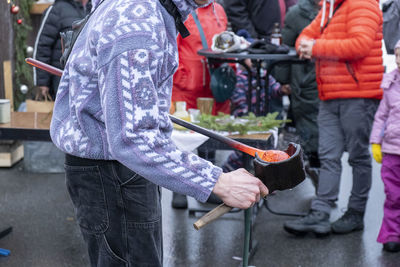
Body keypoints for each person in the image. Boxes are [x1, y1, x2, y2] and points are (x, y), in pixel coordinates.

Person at [49, 0, 269, 266]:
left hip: (121, 169)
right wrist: (217, 182)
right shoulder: (135, 19)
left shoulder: (152, 10)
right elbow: (133, 139)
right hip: (112, 174)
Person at [283, 0, 384, 236]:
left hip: (358, 94)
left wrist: (315, 48)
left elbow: (359, 45)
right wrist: (307, 46)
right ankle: (320, 212)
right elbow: (303, 37)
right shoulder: (331, 6)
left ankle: (355, 213)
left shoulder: (362, 4)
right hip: (330, 92)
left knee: (357, 156)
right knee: (328, 155)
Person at [170, 2, 230, 209]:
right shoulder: (180, 9)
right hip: (186, 86)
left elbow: (224, 42)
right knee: (182, 138)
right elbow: (172, 46)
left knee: (208, 135)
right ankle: (178, 190)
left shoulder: (218, 10)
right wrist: (181, 75)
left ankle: (206, 187)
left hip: (211, 85)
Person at [275, 0, 320, 186]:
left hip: (334, 82)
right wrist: (283, 80)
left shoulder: (340, 9)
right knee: (311, 132)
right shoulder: (296, 13)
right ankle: (320, 183)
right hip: (306, 84)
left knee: (330, 139)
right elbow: (284, 49)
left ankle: (323, 186)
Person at [369, 40, 400, 253]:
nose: (399, 60)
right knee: (393, 195)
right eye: (397, 55)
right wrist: (375, 142)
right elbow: (381, 116)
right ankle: (392, 234)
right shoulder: (390, 83)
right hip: (392, 151)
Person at [33, 0, 91, 99]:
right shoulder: (57, 9)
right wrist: (42, 82)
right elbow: (43, 46)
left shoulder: (95, 7)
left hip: (89, 77)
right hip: (61, 77)